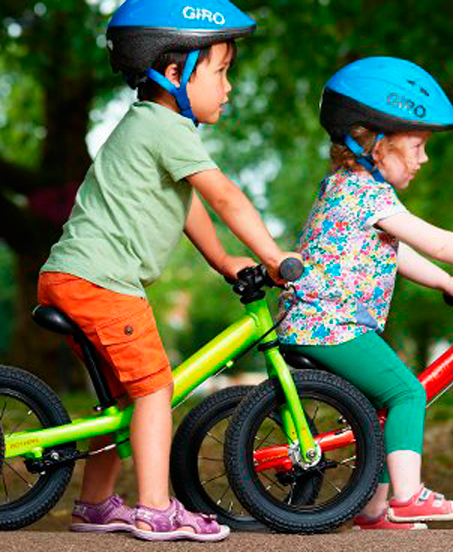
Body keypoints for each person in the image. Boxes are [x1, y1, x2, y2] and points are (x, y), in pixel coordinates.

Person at [37, 0, 299, 541]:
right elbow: (223, 196)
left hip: (78, 275)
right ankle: (155, 509)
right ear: (174, 72)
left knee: (122, 399)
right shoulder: (165, 126)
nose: (229, 88)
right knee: (155, 388)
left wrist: (225, 260)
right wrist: (274, 256)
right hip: (99, 281)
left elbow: (191, 205)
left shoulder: (154, 128)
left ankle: (94, 504)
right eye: (222, 72)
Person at [278, 56, 453, 530]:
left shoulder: (343, 187)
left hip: (312, 322)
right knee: (407, 393)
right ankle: (409, 496)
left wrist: (445, 281)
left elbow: (395, 254)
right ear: (374, 141)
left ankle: (373, 509)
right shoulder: (370, 195)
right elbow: (432, 239)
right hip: (330, 326)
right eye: (417, 145)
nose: (424, 158)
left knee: (378, 409)